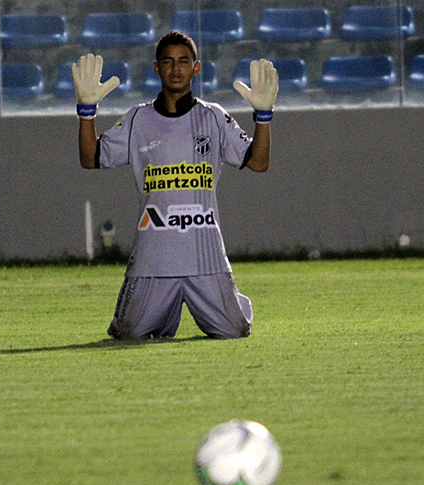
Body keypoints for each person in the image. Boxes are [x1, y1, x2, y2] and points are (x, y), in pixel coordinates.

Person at [72, 31, 278, 340]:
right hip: (153, 256)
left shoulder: (214, 117)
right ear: (157, 68)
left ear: (196, 68)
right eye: (167, 61)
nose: (176, 68)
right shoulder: (138, 119)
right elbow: (90, 158)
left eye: (184, 61)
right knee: (128, 334)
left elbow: (259, 162)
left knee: (235, 330)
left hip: (204, 254)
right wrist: (87, 112)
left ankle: (210, 306)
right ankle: (162, 313)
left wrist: (263, 117)